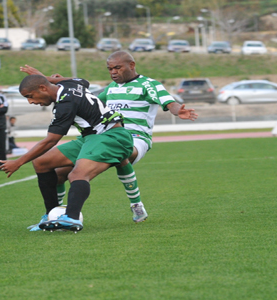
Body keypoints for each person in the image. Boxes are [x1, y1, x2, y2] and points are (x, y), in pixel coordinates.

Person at [20, 52, 198, 223]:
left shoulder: (148, 84)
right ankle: (55, 214)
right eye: (110, 69)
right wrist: (48, 81)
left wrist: (177, 110)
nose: (113, 72)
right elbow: (86, 100)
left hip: (136, 137)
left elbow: (168, 101)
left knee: (119, 154)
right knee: (59, 174)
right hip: (104, 135)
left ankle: (135, 204)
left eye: (117, 68)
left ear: (132, 65)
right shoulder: (110, 89)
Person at [0, 75, 133, 232]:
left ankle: (72, 218)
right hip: (92, 137)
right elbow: (84, 81)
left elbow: (50, 141)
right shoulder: (67, 85)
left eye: (30, 96)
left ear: (43, 88)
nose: (31, 101)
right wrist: (47, 77)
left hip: (112, 136)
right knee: (41, 161)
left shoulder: (65, 104)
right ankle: (51, 215)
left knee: (77, 175)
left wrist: (18, 162)